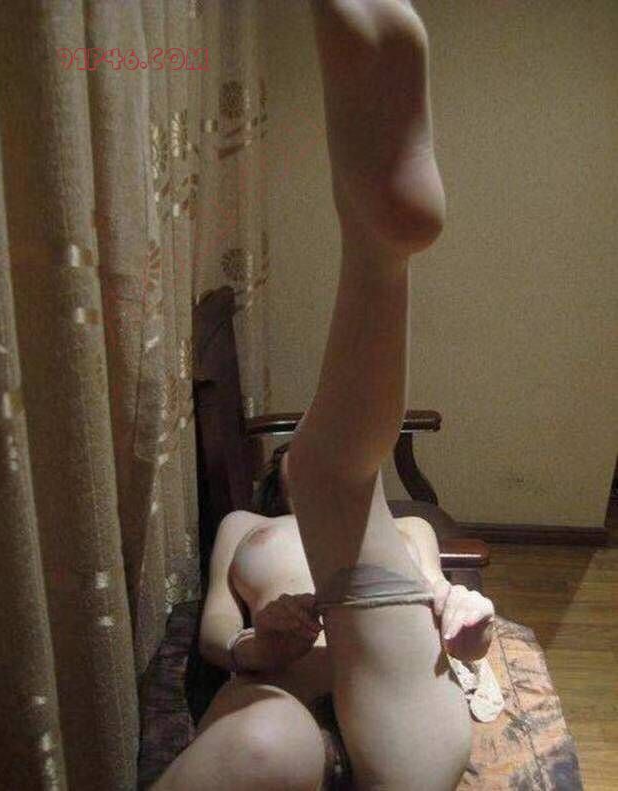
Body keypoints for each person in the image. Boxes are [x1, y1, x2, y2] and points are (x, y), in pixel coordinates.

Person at [152, 2, 496, 789]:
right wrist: (257, 641)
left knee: (345, 484)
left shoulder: (404, 527)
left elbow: (440, 597)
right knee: (269, 740)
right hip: (282, 689)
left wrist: (464, 620)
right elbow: (215, 635)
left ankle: (379, 246)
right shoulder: (243, 526)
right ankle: (378, 251)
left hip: (390, 675)